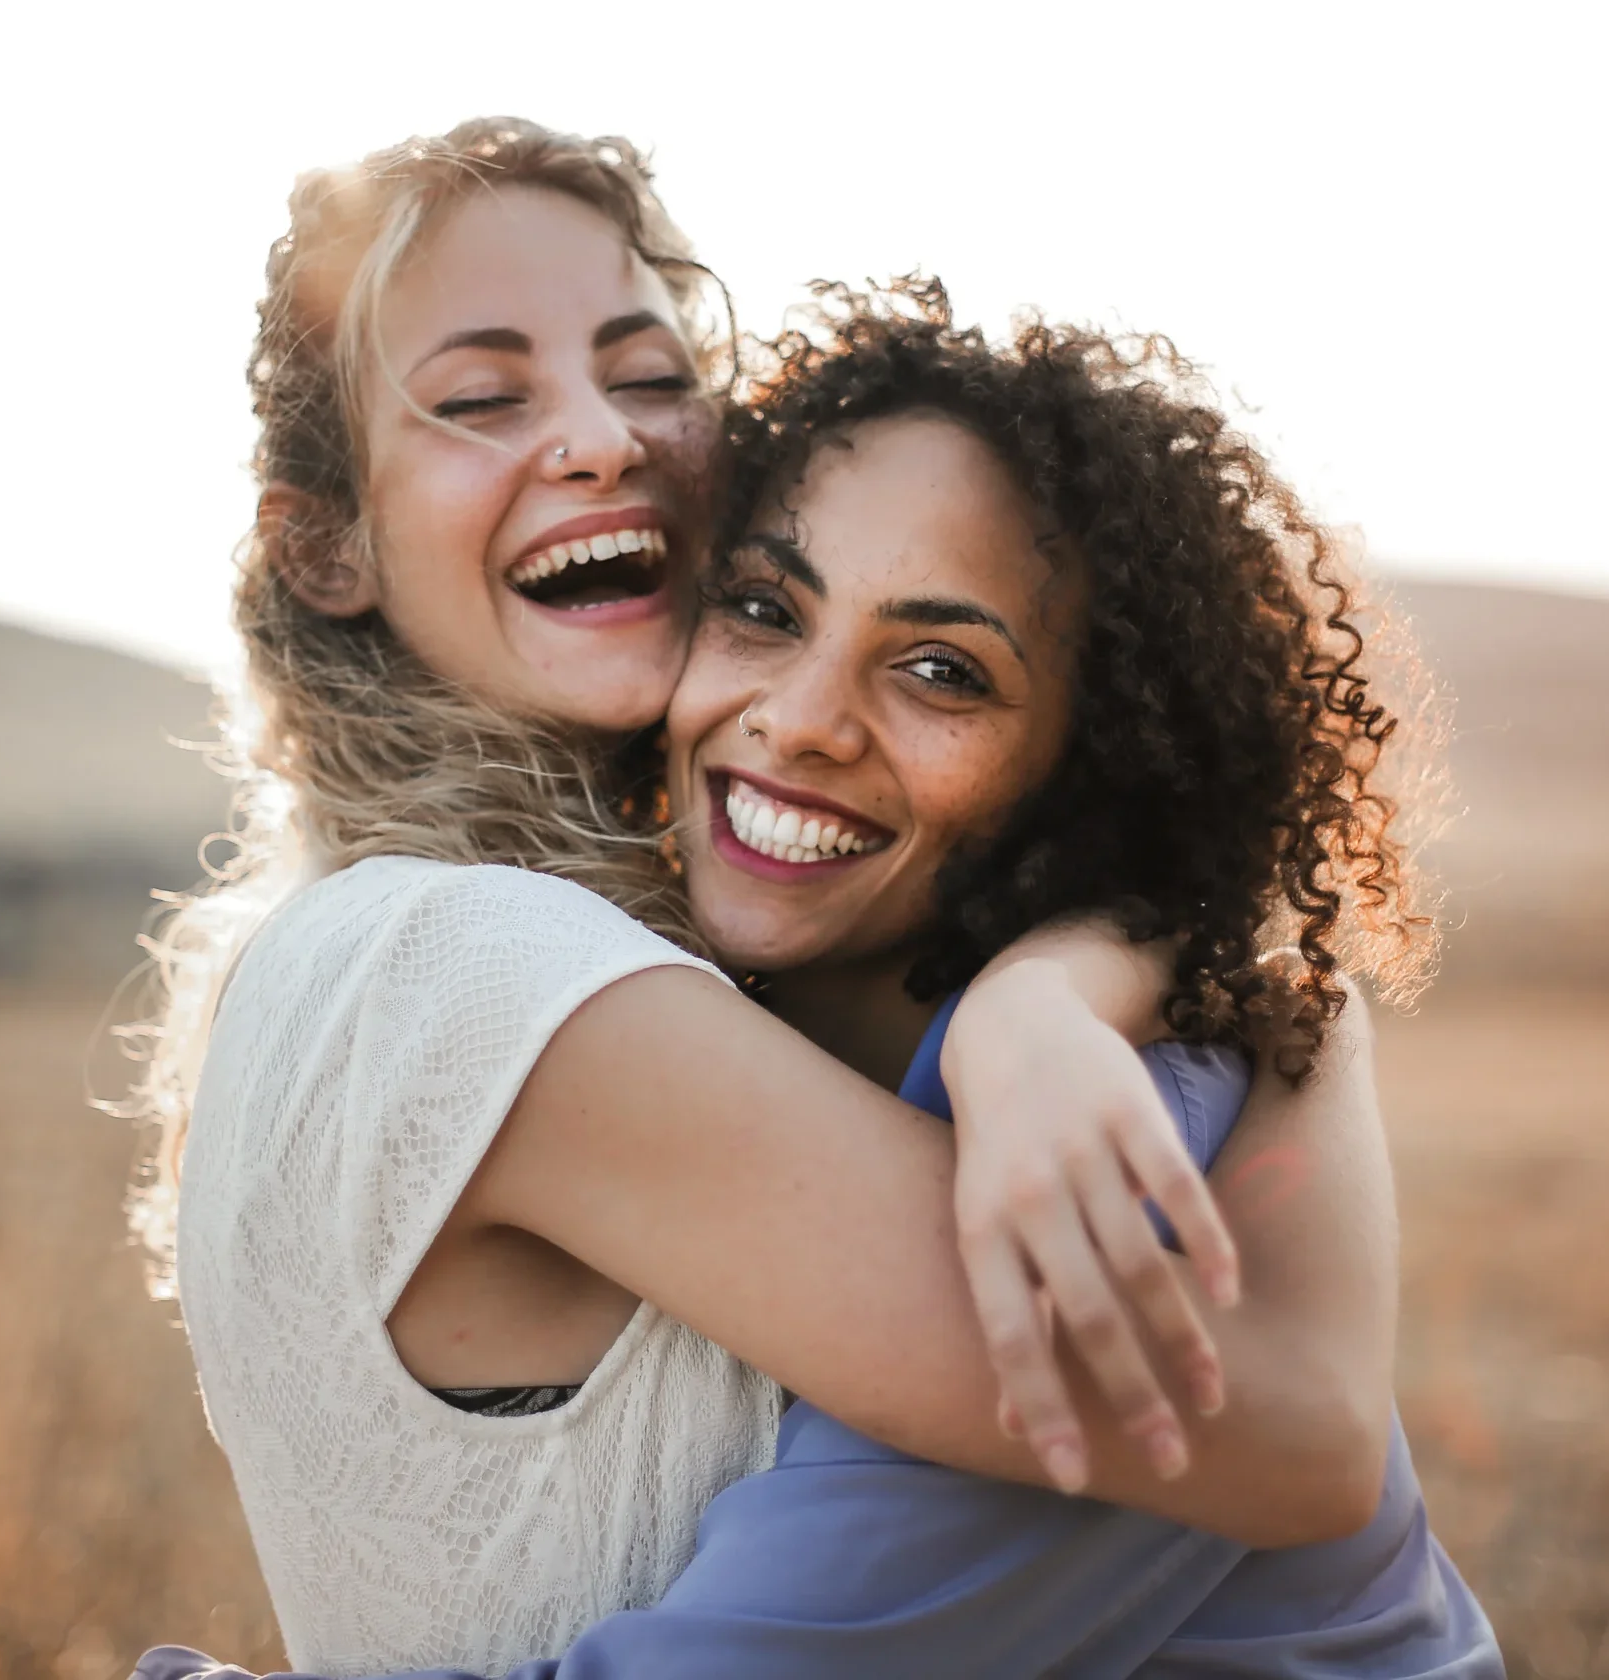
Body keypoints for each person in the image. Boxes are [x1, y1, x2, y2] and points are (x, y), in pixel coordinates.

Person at [134, 120, 1410, 1678]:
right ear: (326, 546)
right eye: (478, 399)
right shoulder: (477, 965)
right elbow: (1292, 1431)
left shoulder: (405, 942)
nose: (599, 439)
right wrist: (1264, 1007)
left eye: (646, 374)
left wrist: (1087, 983)